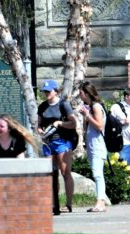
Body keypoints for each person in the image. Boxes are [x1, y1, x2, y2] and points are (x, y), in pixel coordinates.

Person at [37, 79, 78, 214]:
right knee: (50, 173)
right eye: (45, 91)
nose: (46, 93)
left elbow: (73, 123)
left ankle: (68, 204)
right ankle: (54, 203)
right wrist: (40, 130)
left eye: (49, 91)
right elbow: (39, 125)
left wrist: (60, 123)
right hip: (48, 143)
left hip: (62, 141)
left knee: (65, 173)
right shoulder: (42, 106)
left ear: (56, 91)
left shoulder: (63, 104)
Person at [77, 81, 109, 213]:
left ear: (87, 93)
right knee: (96, 173)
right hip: (91, 145)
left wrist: (87, 115)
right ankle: (100, 202)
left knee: (97, 175)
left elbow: (100, 125)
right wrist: (85, 117)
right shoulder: (90, 107)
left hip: (98, 146)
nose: (80, 95)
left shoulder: (96, 106)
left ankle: (100, 202)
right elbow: (87, 128)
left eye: (81, 93)